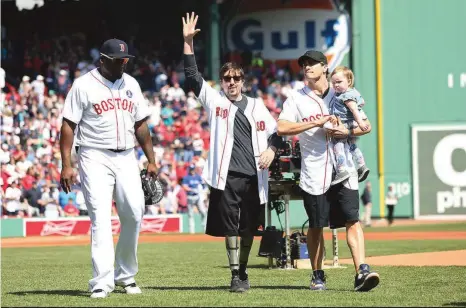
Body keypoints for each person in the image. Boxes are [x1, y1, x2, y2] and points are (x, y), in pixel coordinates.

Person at [182, 12, 282, 292]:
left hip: (254, 175)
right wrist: (188, 42)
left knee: (249, 228)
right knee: (230, 228)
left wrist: (272, 149)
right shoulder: (214, 101)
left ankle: (244, 270)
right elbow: (192, 76)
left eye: (236, 77)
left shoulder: (257, 105)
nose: (231, 81)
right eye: (227, 78)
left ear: (243, 80)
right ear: (222, 81)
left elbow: (278, 133)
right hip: (227, 175)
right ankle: (234, 275)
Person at [59, 38, 158, 298]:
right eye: (117, 60)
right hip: (93, 155)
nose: (122, 64)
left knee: (135, 213)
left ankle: (125, 275)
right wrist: (66, 164)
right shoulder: (83, 85)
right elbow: (68, 125)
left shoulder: (132, 84)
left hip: (126, 154)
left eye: (125, 60)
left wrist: (151, 159)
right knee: (100, 218)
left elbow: (141, 125)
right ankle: (102, 281)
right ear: (102, 60)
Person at [277, 50, 380, 292]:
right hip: (314, 170)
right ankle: (317, 274)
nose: (307, 67)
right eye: (304, 64)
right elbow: (282, 127)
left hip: (343, 168)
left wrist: (348, 132)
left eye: (312, 63)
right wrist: (314, 122)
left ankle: (361, 271)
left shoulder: (341, 90)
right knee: (316, 224)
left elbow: (366, 126)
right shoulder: (296, 98)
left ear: (325, 67)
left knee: (352, 219)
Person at [326, 66, 370, 184]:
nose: (336, 85)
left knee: (338, 146)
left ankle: (342, 170)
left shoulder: (346, 96)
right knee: (352, 145)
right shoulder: (353, 92)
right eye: (333, 82)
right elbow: (362, 102)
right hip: (351, 123)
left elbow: (354, 110)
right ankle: (361, 165)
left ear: (349, 81)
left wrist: (360, 122)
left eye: (339, 82)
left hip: (346, 123)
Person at [182, 164, 207, 233]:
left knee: (203, 212)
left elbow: (203, 185)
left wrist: (203, 190)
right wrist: (191, 190)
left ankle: (204, 227)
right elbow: (184, 187)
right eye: (191, 169)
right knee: (190, 214)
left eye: (193, 169)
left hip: (198, 197)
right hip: (190, 197)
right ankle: (191, 230)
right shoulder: (186, 177)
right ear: (189, 170)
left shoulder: (198, 177)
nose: (192, 171)